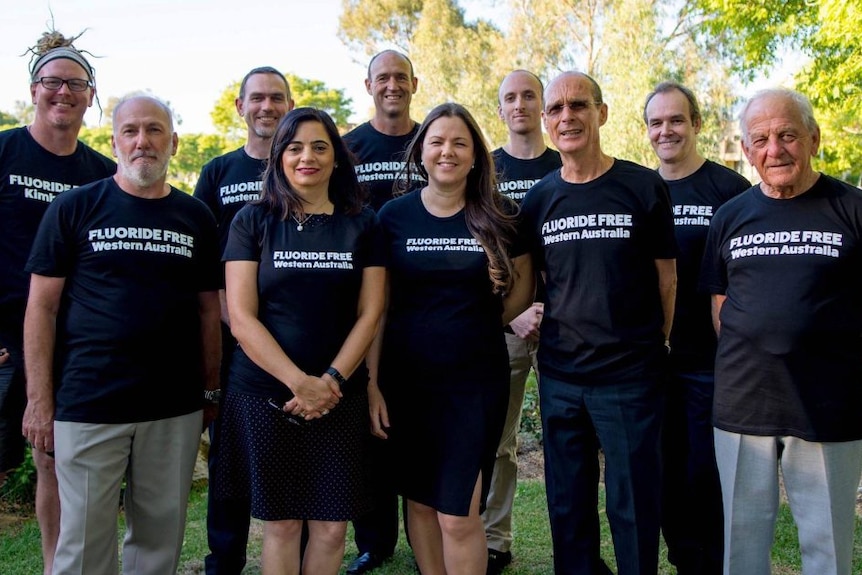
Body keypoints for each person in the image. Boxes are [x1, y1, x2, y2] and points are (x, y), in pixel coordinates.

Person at [22, 93, 222, 574]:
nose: (142, 142)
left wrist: (211, 389)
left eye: (154, 130)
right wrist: (39, 399)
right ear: (113, 142)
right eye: (130, 131)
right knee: (83, 546)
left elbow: (208, 312)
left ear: (173, 142)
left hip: (172, 408)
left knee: (158, 541)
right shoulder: (74, 208)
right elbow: (41, 309)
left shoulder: (195, 217)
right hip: (90, 404)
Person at [519, 71, 677, 575]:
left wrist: (655, 345)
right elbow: (537, 281)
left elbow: (666, 281)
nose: (568, 117)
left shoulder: (642, 186)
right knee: (568, 506)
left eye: (579, 105)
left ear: (601, 113)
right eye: (557, 109)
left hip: (630, 379)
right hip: (562, 378)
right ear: (546, 121)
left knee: (632, 506)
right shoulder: (539, 199)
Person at [217, 107, 386, 575]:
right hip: (267, 394)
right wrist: (299, 383)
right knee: (284, 524)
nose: (306, 157)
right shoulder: (252, 222)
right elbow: (242, 318)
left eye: (319, 146)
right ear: (278, 157)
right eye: (294, 148)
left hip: (339, 396)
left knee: (332, 528)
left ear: (336, 158)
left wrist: (330, 381)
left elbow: (370, 313)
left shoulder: (363, 224)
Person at [700, 88, 862, 575]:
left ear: (813, 138)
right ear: (747, 152)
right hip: (743, 402)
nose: (775, 149)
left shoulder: (852, 209)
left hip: (827, 406)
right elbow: (720, 304)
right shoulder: (730, 216)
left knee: (827, 546)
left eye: (788, 135)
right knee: (740, 545)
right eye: (761, 139)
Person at [370, 102, 534, 575]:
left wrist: (485, 318)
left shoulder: (500, 214)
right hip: (408, 383)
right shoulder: (392, 218)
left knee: (459, 512)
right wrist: (373, 384)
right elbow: (377, 309)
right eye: (437, 141)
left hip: (474, 384)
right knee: (420, 504)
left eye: (460, 142)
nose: (448, 151)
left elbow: (524, 283)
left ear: (476, 154)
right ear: (421, 151)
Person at [0, 29, 116, 575]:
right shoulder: (3, 151)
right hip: (5, 338)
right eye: (52, 82)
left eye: (75, 84)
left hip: (67, 339)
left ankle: (55, 566)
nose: (63, 93)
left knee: (50, 456)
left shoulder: (98, 174)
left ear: (90, 96)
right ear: (33, 89)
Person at [642, 81, 750, 575]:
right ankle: (685, 561)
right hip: (652, 362)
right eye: (657, 122)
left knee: (705, 474)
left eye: (676, 120)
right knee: (664, 476)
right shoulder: (640, 191)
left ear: (697, 123)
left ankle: (714, 563)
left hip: (712, 362)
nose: (667, 130)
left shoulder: (729, 190)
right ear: (647, 132)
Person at [194, 66, 294, 575]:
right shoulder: (218, 173)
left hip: (303, 343)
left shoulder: (306, 168)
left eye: (277, 98)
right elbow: (205, 264)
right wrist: (241, 325)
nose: (267, 107)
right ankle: (224, 559)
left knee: (305, 449)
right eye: (257, 98)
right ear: (240, 107)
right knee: (228, 463)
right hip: (237, 341)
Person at [341, 49, 419, 575]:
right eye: (382, 78)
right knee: (367, 426)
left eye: (400, 77)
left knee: (413, 422)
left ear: (415, 83)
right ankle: (374, 540)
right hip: (360, 302)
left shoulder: (431, 138)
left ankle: (428, 532)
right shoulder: (347, 147)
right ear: (368, 85)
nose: (392, 85)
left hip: (422, 302)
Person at [482, 69, 561, 575]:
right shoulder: (486, 170)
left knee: (566, 442)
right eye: (509, 97)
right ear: (501, 109)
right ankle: (494, 539)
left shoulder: (567, 161)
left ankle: (572, 546)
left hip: (564, 325)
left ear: (543, 106)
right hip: (508, 324)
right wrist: (511, 312)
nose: (520, 104)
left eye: (529, 95)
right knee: (499, 439)